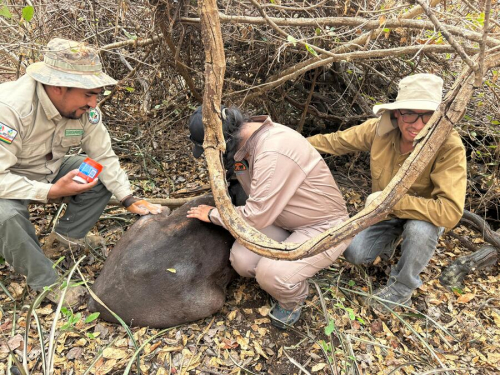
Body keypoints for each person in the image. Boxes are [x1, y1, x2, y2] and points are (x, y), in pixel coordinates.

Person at [0, 38, 161, 305]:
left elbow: (103, 156)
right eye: (88, 94)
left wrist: (128, 198)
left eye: (97, 94)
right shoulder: (11, 110)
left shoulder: (85, 111)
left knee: (94, 172)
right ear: (57, 87)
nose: (94, 103)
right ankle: (45, 282)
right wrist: (51, 191)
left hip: (47, 170)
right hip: (7, 178)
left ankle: (62, 242)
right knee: (5, 215)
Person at [307, 73, 467, 311]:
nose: (418, 124)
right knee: (354, 253)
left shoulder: (449, 147)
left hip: (425, 216)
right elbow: (336, 142)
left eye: (427, 115)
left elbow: (450, 212)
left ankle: (402, 288)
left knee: (419, 230)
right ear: (397, 113)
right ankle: (391, 240)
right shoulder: (379, 131)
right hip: (384, 211)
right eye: (410, 113)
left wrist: (392, 202)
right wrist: (289, 142)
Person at [186, 106, 350, 329]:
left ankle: (293, 297)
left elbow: (255, 216)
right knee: (241, 260)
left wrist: (214, 214)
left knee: (271, 274)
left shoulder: (273, 150)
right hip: (282, 221)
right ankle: (285, 275)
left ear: (223, 143)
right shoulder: (245, 142)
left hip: (323, 226)